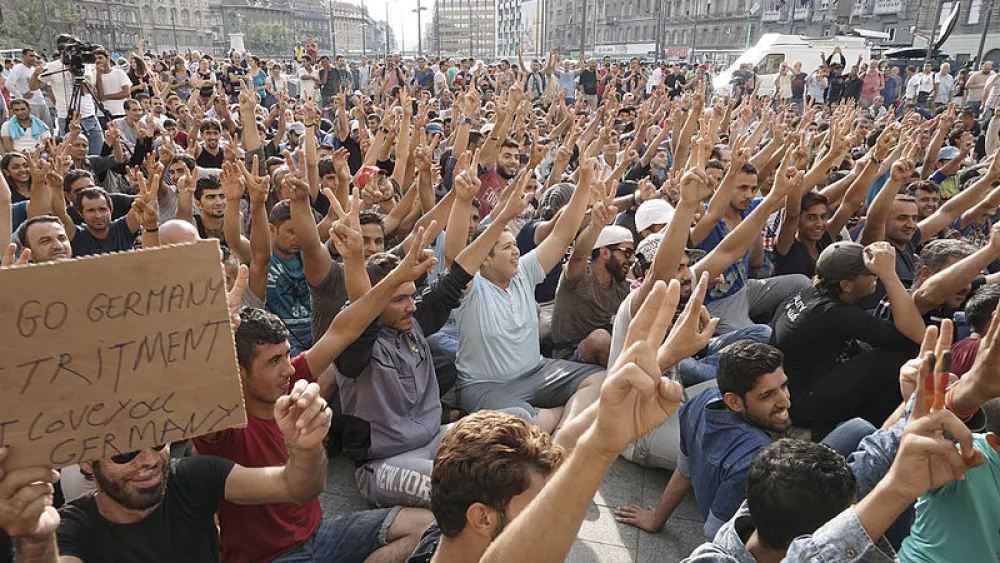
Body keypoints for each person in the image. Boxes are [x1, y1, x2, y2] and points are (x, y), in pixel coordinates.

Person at [615, 341, 874, 539]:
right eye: (767, 395)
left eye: (783, 386)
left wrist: (656, 519)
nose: (785, 401)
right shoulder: (755, 461)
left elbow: (685, 470)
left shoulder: (701, 401)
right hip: (780, 521)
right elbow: (714, 532)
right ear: (734, 402)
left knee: (857, 429)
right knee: (862, 437)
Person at [774, 241, 925, 434]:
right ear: (845, 285)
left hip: (799, 386)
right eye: (870, 273)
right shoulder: (834, 314)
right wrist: (890, 277)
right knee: (903, 357)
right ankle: (878, 427)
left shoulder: (812, 292)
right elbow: (916, 338)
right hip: (805, 405)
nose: (876, 276)